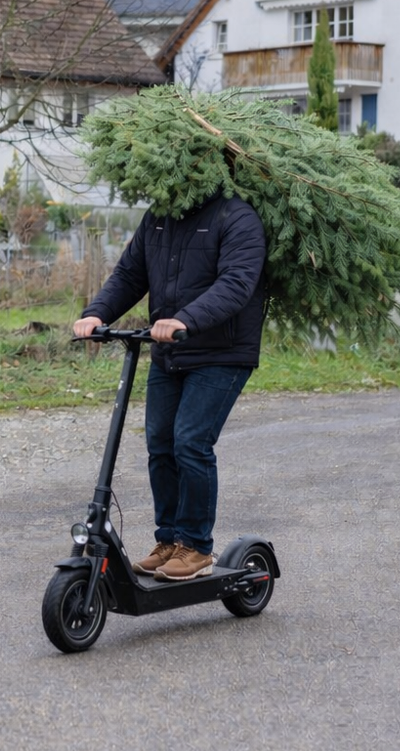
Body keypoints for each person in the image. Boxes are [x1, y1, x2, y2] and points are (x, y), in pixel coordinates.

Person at [71, 192, 266, 582]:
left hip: (221, 352)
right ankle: (170, 541)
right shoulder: (159, 215)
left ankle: (195, 547)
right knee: (160, 444)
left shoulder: (237, 216)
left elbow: (236, 282)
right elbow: (130, 274)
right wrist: (96, 313)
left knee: (190, 442)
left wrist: (184, 319)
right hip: (169, 351)